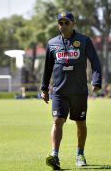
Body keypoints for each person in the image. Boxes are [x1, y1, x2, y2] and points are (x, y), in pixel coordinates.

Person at [40, 10, 102, 170]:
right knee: (57, 121)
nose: (63, 25)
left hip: (79, 91)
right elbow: (47, 68)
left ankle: (80, 154)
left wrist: (97, 81)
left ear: (73, 24)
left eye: (66, 22)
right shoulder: (52, 43)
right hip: (60, 92)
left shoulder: (84, 41)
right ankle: (54, 155)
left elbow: (95, 62)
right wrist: (44, 89)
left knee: (80, 123)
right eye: (60, 22)